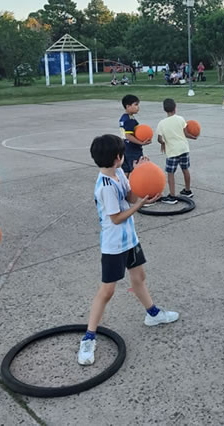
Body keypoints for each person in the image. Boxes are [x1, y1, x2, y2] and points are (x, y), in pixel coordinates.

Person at [77, 134, 179, 366]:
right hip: (114, 245)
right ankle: (89, 338)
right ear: (117, 158)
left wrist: (142, 184)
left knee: (139, 278)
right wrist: (140, 206)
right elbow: (116, 218)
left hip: (130, 239)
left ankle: (152, 314)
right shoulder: (104, 186)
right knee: (107, 291)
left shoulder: (119, 173)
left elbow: (130, 195)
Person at [156, 98, 197, 203]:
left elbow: (159, 139)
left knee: (170, 173)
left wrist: (163, 143)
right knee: (185, 169)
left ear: (164, 109)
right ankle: (188, 190)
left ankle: (172, 196)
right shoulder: (181, 119)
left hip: (173, 151)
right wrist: (193, 136)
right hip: (184, 148)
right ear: (175, 108)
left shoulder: (162, 123)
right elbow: (186, 133)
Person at [119, 94, 151, 176]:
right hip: (133, 150)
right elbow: (128, 136)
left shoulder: (123, 117)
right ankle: (134, 187)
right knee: (136, 170)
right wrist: (141, 143)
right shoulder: (130, 120)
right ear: (128, 106)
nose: (138, 107)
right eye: (136, 105)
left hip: (124, 148)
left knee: (126, 171)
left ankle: (125, 187)